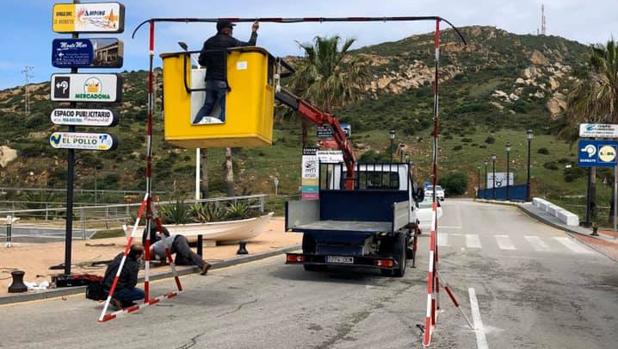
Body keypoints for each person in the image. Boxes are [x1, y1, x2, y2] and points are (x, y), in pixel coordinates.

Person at [193, 19, 259, 124]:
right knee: (225, 106)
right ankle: (221, 126)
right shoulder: (229, 41)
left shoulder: (208, 42)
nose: (232, 31)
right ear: (225, 30)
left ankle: (195, 123)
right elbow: (251, 45)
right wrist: (254, 31)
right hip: (222, 80)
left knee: (208, 105)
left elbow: (201, 61)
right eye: (230, 28)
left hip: (209, 80)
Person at [102, 243, 145, 309]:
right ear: (137, 255)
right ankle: (117, 298)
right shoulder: (133, 265)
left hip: (105, 286)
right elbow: (132, 283)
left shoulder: (120, 256)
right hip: (115, 289)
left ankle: (123, 301)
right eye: (142, 254)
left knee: (124, 285)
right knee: (141, 294)